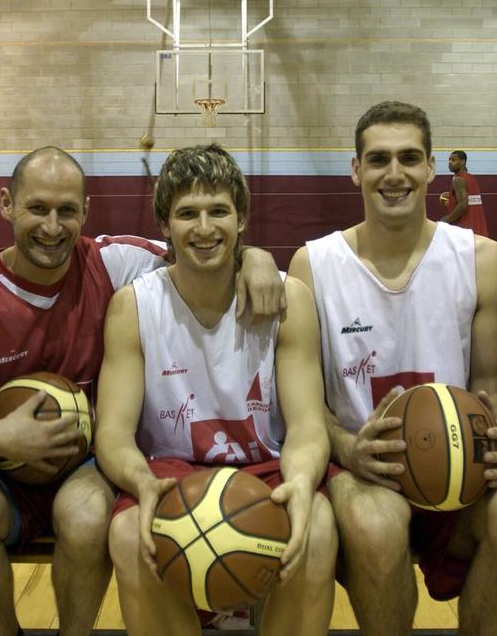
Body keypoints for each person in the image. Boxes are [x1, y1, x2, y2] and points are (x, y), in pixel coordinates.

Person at [0, 146, 285, 636]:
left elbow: (201, 248)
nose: (53, 227)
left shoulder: (115, 261)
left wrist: (257, 258)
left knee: (86, 518)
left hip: (86, 460)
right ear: (6, 204)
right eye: (37, 208)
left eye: (67, 211)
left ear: (86, 211)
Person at [288, 101, 497, 636]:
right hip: (364, 465)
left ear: (431, 168)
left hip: (460, 461)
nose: (395, 174)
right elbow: (308, 401)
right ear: (356, 169)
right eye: (379, 159)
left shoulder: (480, 258)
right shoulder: (312, 264)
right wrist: (348, 449)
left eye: (409, 158)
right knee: (374, 523)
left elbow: (486, 385)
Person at [96, 144, 337, 635]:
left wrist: (299, 483)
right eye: (187, 213)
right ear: (164, 225)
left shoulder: (288, 299)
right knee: (127, 534)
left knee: (318, 525)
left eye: (218, 211)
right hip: (170, 474)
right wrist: (141, 483)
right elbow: (114, 434)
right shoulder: (133, 306)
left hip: (265, 469)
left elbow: (309, 425)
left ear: (242, 218)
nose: (204, 229)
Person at [438, 150, 488, 236]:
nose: (450, 163)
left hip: (464, 232)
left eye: (453, 160)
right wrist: (451, 196)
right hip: (478, 231)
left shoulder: (458, 180)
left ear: (462, 162)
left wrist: (445, 220)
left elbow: (463, 205)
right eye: (449, 160)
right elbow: (469, 200)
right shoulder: (472, 178)